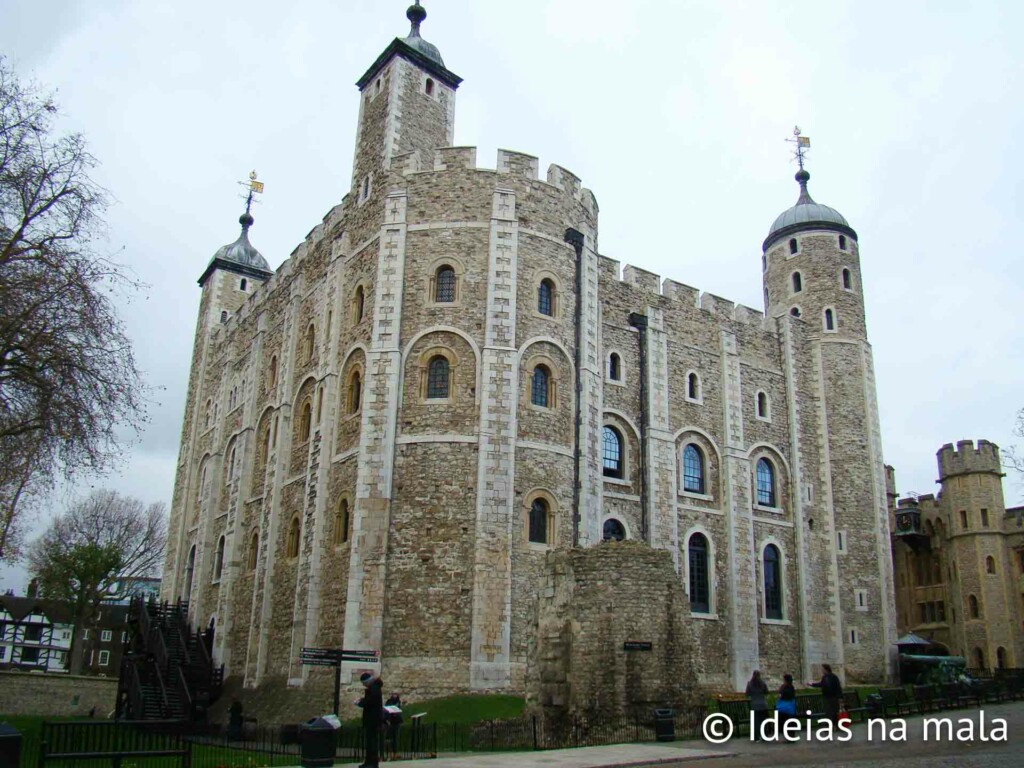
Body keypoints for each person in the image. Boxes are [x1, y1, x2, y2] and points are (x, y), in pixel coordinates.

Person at [356, 672, 384, 768]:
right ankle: (369, 762)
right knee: (370, 742)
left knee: (372, 742)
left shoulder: (374, 688)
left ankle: (372, 763)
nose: (363, 685)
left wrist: (360, 703)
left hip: (373, 719)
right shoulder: (374, 688)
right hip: (372, 719)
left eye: (364, 683)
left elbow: (370, 702)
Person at [745, 670, 769, 740]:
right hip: (763, 705)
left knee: (756, 722)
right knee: (763, 721)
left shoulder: (749, 684)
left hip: (754, 705)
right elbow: (766, 692)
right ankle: (765, 736)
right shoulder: (763, 683)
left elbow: (747, 694)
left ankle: (756, 737)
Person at [384, 692, 403, 760]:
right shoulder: (389, 701)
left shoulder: (399, 702)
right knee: (388, 738)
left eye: (396, 694)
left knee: (395, 738)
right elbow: (386, 709)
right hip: (390, 721)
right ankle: (388, 753)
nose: (395, 695)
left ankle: (395, 753)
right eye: (393, 694)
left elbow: (399, 711)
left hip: (396, 721)